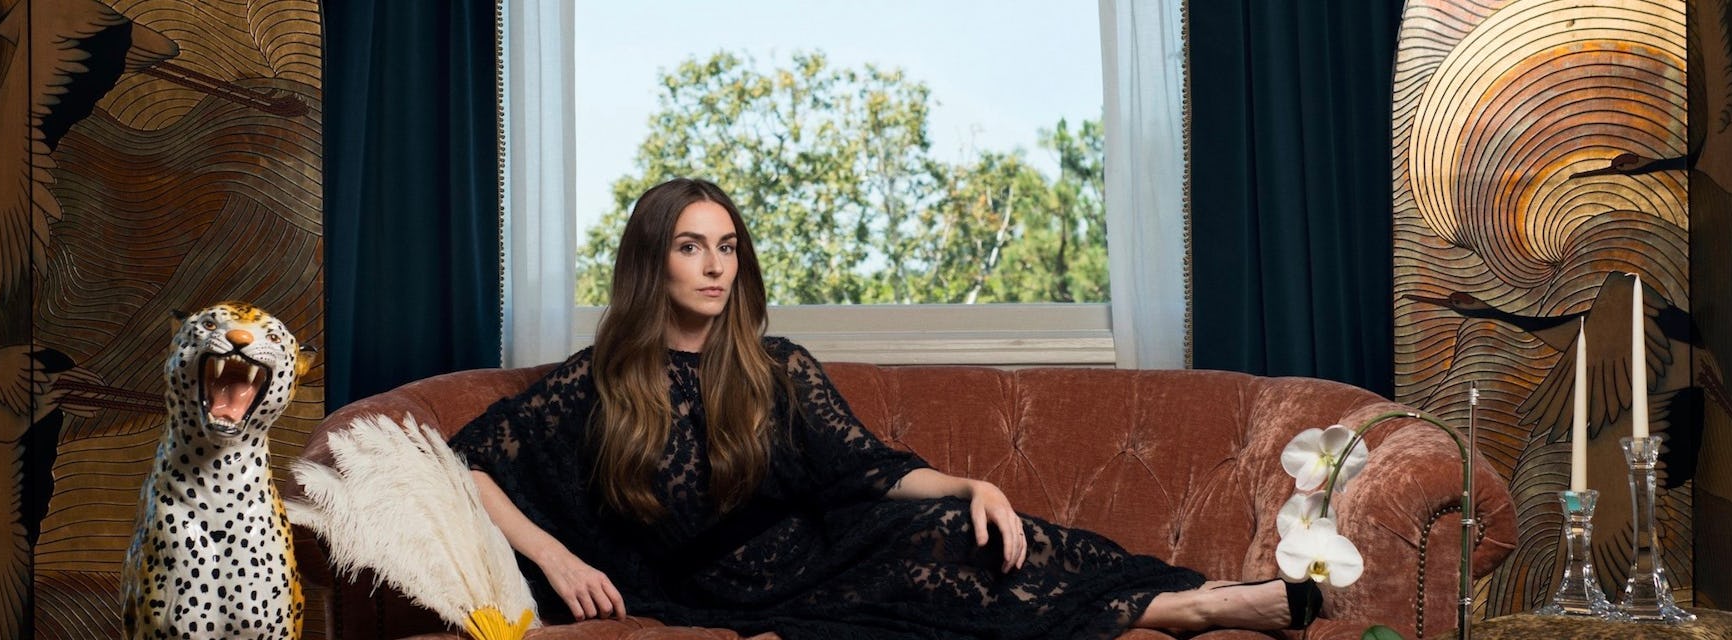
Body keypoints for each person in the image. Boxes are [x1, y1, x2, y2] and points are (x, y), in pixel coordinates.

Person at [450, 178, 1321, 639]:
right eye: (689, 247)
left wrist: (973, 481)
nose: (714, 266)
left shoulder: (775, 366)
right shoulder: (597, 383)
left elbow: (868, 468)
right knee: (939, 567)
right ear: (655, 265)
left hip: (816, 549)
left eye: (727, 246)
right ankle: (1205, 607)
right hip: (713, 588)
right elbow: (464, 459)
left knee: (963, 529)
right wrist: (554, 556)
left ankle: (1202, 603)